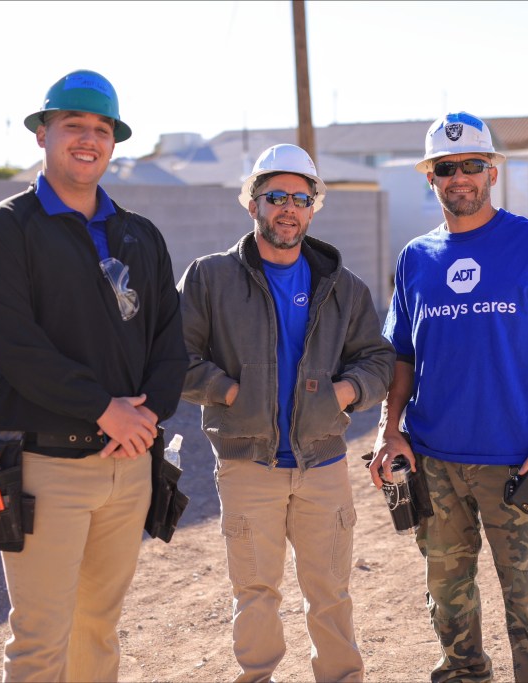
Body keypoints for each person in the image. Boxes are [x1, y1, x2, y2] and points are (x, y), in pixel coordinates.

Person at [0, 69, 187, 681]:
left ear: (114, 142)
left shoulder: (141, 234)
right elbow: (17, 347)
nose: (88, 139)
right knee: (40, 641)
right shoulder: (3, 232)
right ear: (42, 134)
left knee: (99, 630)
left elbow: (172, 335)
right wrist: (104, 409)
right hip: (45, 472)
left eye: (101, 129)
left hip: (130, 464)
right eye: (73, 126)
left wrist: (147, 417)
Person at [369, 111, 528, 683]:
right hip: (434, 462)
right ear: (432, 178)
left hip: (518, 461)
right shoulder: (415, 259)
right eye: (446, 168)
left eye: (472, 164)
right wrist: (388, 429)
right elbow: (401, 355)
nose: (459, 177)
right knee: (448, 601)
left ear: (492, 170)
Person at [178, 144, 394, 683]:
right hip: (248, 464)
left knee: (331, 592)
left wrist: (346, 393)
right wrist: (229, 392)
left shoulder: (342, 287)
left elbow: (378, 358)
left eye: (301, 197)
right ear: (252, 203)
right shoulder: (209, 278)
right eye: (276, 196)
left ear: (314, 207)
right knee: (254, 594)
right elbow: (171, 358)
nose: (288, 208)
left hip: (322, 464)